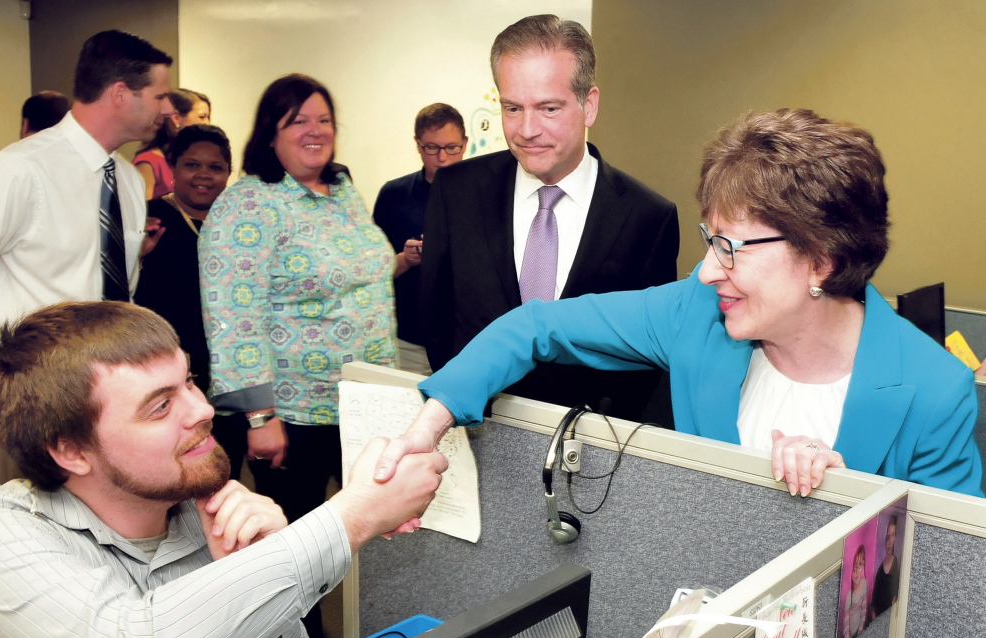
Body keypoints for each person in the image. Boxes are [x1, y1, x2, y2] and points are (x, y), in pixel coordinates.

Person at [377, 108, 984, 499]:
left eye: (730, 247)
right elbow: (536, 326)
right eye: (707, 239)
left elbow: (943, 603)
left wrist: (844, 502)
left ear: (821, 259)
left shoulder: (934, 392)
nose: (704, 269)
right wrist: (432, 419)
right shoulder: (694, 315)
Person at [0, 301, 445, 638]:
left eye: (190, 381)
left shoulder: (208, 516)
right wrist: (356, 514)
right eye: (160, 406)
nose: (203, 409)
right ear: (71, 450)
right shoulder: (1, 535)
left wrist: (256, 570)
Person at [199, 75, 396, 638]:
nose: (315, 131)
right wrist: (260, 418)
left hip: (361, 406)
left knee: (368, 541)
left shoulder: (342, 190)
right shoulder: (249, 203)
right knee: (299, 557)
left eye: (324, 119)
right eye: (298, 121)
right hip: (294, 417)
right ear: (271, 133)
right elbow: (232, 316)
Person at [420, 14, 680, 423]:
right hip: (473, 429)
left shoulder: (647, 217)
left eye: (548, 108)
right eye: (512, 107)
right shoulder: (457, 191)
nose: (526, 129)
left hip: (586, 450)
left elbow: (646, 353)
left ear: (588, 105)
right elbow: (435, 317)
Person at [0, 29, 173, 484]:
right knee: (29, 531)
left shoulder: (129, 182)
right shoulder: (19, 169)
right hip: (26, 388)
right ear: (120, 94)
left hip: (101, 392)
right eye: (161, 95)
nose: (168, 109)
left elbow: (119, 290)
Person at [134, 124, 246, 479]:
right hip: (163, 371)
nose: (203, 175)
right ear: (172, 167)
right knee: (168, 472)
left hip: (230, 373)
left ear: (228, 173)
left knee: (224, 471)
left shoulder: (240, 224)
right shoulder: (147, 219)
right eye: (191, 164)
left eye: (215, 167)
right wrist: (135, 257)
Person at [373, 103, 468, 375]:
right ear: (417, 145)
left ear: (465, 143)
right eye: (431, 148)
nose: (442, 158)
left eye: (452, 148)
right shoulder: (394, 194)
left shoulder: (486, 195)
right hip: (409, 341)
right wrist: (406, 259)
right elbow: (374, 274)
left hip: (466, 341)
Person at [133, 88, 213, 200]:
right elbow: (142, 213)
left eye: (208, 117)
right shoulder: (149, 162)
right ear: (176, 118)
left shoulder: (192, 159)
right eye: (201, 117)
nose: (207, 124)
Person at [869, 514, 901, 619]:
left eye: (893, 535)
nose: (889, 541)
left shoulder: (897, 566)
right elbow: (873, 602)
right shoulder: (880, 568)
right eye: (888, 536)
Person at [842, 545, 869, 638]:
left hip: (859, 632)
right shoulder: (849, 596)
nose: (857, 571)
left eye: (860, 565)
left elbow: (864, 610)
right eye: (855, 567)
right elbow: (845, 627)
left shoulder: (864, 583)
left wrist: (860, 632)